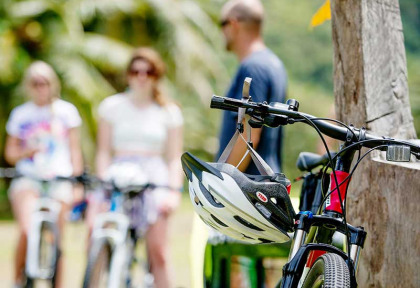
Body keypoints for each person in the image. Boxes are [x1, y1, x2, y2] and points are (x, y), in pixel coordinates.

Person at [94, 47, 184, 288]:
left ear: (156, 75)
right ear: (128, 75)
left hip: (153, 177)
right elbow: (103, 151)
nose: (141, 76)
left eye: (148, 71)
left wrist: (173, 192)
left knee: (159, 252)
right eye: (136, 71)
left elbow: (174, 157)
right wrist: (103, 181)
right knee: (96, 240)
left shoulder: (169, 112)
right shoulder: (111, 107)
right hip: (118, 173)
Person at [4, 61, 83, 287]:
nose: (41, 87)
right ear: (29, 85)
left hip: (59, 178)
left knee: (57, 239)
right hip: (29, 178)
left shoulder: (66, 112)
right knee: (27, 231)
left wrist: (76, 182)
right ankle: (18, 280)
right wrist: (27, 150)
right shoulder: (20, 114)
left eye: (45, 82)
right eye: (35, 83)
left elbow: (75, 151)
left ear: (53, 83)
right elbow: (10, 153)